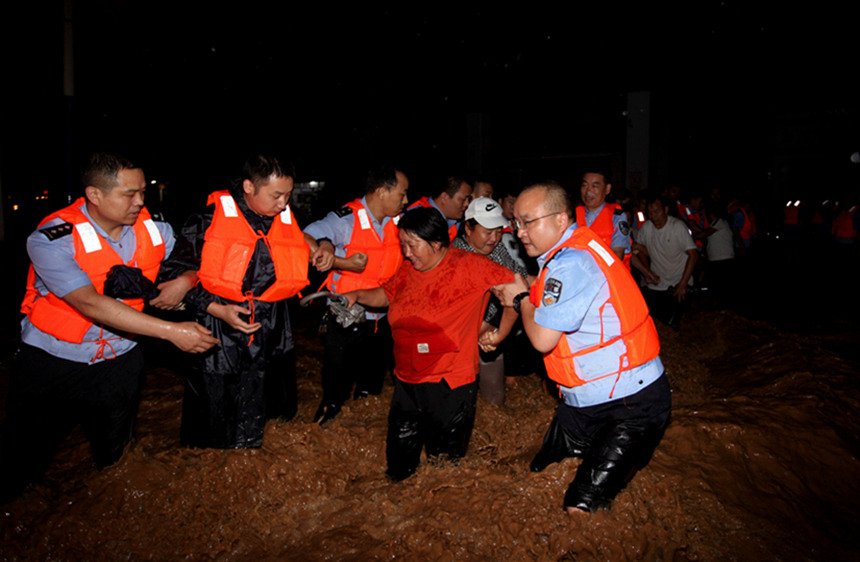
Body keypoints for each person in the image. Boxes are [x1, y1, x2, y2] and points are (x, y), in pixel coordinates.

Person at [1, 153, 219, 503]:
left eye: (142, 192)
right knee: (23, 461)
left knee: (117, 460)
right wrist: (173, 332)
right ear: (95, 195)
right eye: (129, 194)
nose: (140, 202)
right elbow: (90, 303)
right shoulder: (51, 238)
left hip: (120, 362)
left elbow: (199, 259)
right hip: (52, 362)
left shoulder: (155, 230)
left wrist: (184, 279)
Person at [493, 182, 671, 514]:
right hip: (582, 405)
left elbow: (542, 339)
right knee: (538, 476)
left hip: (630, 405)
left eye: (528, 222)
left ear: (561, 220)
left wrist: (519, 299)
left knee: (579, 509)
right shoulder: (574, 249)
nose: (519, 232)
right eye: (516, 222)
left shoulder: (570, 262)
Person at [344, 207, 514, 481]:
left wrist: (500, 333)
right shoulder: (409, 269)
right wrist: (356, 295)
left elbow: (517, 290)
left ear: (436, 243)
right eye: (403, 245)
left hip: (449, 381)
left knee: (444, 468)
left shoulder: (470, 266)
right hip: (407, 379)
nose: (407, 253)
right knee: (399, 466)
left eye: (413, 245)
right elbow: (386, 294)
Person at [162, 154, 311, 449]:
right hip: (219, 326)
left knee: (274, 413)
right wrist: (214, 307)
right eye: (276, 195)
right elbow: (174, 277)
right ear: (248, 187)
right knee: (215, 413)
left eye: (288, 196)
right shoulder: (206, 219)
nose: (284, 203)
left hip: (274, 325)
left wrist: (321, 247)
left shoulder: (283, 217)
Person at [303, 165, 409, 424]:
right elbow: (307, 236)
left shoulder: (401, 222)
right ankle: (328, 416)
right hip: (347, 315)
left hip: (384, 315)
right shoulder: (346, 219)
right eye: (402, 194)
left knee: (372, 383)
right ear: (382, 191)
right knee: (337, 378)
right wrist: (329, 250)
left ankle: (362, 422)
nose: (406, 200)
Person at [453, 197, 527, 405]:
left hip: (492, 328)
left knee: (494, 399)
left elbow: (518, 275)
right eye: (488, 232)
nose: (494, 238)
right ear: (468, 228)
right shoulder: (456, 257)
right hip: (461, 336)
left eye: (498, 231)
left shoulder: (497, 248)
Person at [634, 194, 698, 330]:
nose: (653, 216)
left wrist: (683, 283)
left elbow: (693, 254)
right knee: (654, 322)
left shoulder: (677, 227)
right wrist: (647, 271)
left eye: (657, 211)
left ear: (666, 210)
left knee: (673, 324)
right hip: (657, 283)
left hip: (677, 283)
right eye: (650, 212)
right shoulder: (646, 228)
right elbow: (638, 250)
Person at [577, 171, 632, 266]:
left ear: (607, 189)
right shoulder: (573, 215)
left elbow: (617, 255)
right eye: (585, 185)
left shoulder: (616, 216)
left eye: (594, 186)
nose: (588, 191)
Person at [407, 176, 473, 241]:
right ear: (444, 198)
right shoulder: (415, 217)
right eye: (464, 199)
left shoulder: (455, 220)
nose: (467, 204)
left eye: (468, 199)